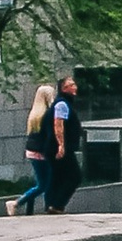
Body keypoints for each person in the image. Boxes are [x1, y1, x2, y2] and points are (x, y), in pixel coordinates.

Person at [12, 82, 56, 213]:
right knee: (45, 184)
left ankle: (48, 206)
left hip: (33, 152)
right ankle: (18, 203)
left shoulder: (34, 115)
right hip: (42, 152)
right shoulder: (47, 114)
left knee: (44, 183)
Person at [46, 73, 85, 212]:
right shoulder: (62, 104)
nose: (75, 87)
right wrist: (61, 145)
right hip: (60, 147)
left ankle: (52, 204)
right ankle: (57, 204)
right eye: (71, 85)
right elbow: (58, 124)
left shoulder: (64, 103)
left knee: (58, 176)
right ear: (64, 88)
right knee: (75, 176)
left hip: (56, 147)